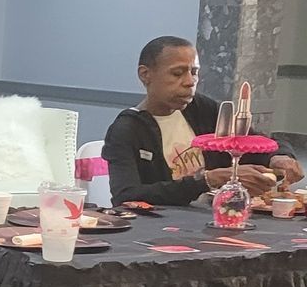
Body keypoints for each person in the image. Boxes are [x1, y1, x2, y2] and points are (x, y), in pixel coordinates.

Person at [102, 35, 301, 206]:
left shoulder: (201, 108)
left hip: (216, 217)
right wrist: (208, 180)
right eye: (177, 73)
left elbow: (255, 142)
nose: (190, 82)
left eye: (194, 72)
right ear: (145, 75)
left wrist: (280, 156)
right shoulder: (127, 129)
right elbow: (126, 197)